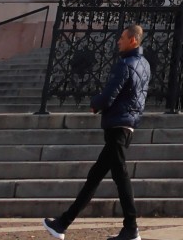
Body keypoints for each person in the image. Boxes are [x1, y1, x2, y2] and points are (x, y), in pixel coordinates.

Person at [43, 22, 150, 240]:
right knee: (95, 176)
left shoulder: (125, 64)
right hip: (128, 123)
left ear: (133, 40)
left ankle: (131, 228)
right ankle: (62, 224)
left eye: (122, 37)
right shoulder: (145, 65)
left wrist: (95, 103)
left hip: (117, 124)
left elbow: (110, 93)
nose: (118, 41)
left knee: (121, 177)